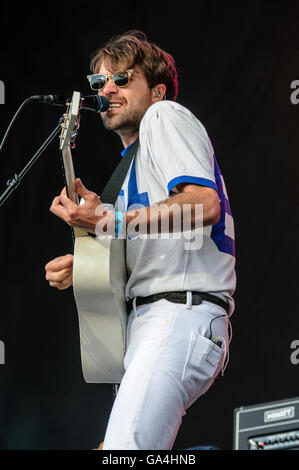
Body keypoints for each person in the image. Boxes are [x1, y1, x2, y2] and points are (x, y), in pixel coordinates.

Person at [45, 30, 236, 450]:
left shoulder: (163, 117)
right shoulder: (133, 168)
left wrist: (109, 220)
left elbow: (204, 206)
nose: (106, 89)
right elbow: (155, 239)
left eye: (122, 78)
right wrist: (91, 266)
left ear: (158, 90)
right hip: (152, 321)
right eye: (98, 83)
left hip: (177, 312)